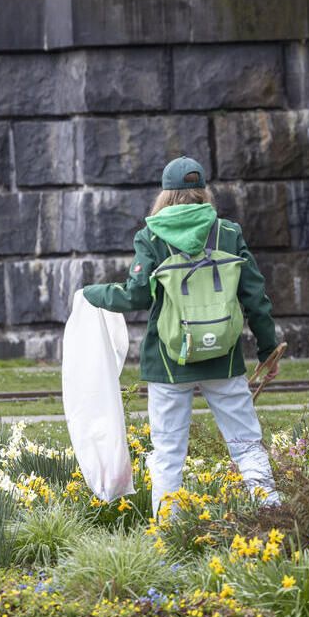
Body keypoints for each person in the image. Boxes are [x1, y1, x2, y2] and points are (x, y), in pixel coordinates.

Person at [83, 156, 281, 513]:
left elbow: (136, 295)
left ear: (166, 195)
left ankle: (168, 537)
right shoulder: (228, 233)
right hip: (224, 357)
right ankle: (273, 516)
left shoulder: (152, 236)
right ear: (203, 191)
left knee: (168, 453)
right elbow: (255, 297)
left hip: (169, 362)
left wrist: (91, 294)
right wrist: (268, 352)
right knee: (247, 444)